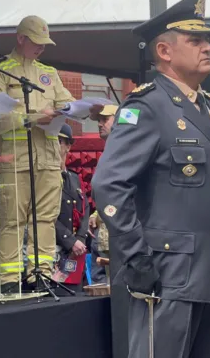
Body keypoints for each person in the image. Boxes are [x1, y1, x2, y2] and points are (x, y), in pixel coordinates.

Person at [92, 0, 210, 358]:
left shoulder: (208, 108)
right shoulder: (146, 107)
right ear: (164, 50)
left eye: (207, 40)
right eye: (195, 41)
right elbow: (109, 184)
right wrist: (136, 256)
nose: (207, 47)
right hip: (168, 273)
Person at [0, 15, 103, 292]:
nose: (41, 49)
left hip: (48, 158)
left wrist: (78, 109)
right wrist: (35, 117)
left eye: (44, 44)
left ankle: (41, 274)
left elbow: (65, 103)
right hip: (16, 160)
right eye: (36, 43)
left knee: (46, 219)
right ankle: (11, 280)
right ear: (21, 38)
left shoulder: (48, 72)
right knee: (12, 220)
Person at [52, 124, 90, 293]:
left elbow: (85, 209)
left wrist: (80, 239)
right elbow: (44, 215)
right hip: (54, 251)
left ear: (68, 146)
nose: (54, 145)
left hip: (75, 254)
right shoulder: (44, 179)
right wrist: (70, 240)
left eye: (59, 141)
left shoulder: (74, 178)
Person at [88, 104, 117, 285]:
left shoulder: (128, 152)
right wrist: (96, 214)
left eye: (105, 119)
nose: (100, 124)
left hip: (118, 239)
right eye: (98, 120)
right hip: (103, 239)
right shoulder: (108, 153)